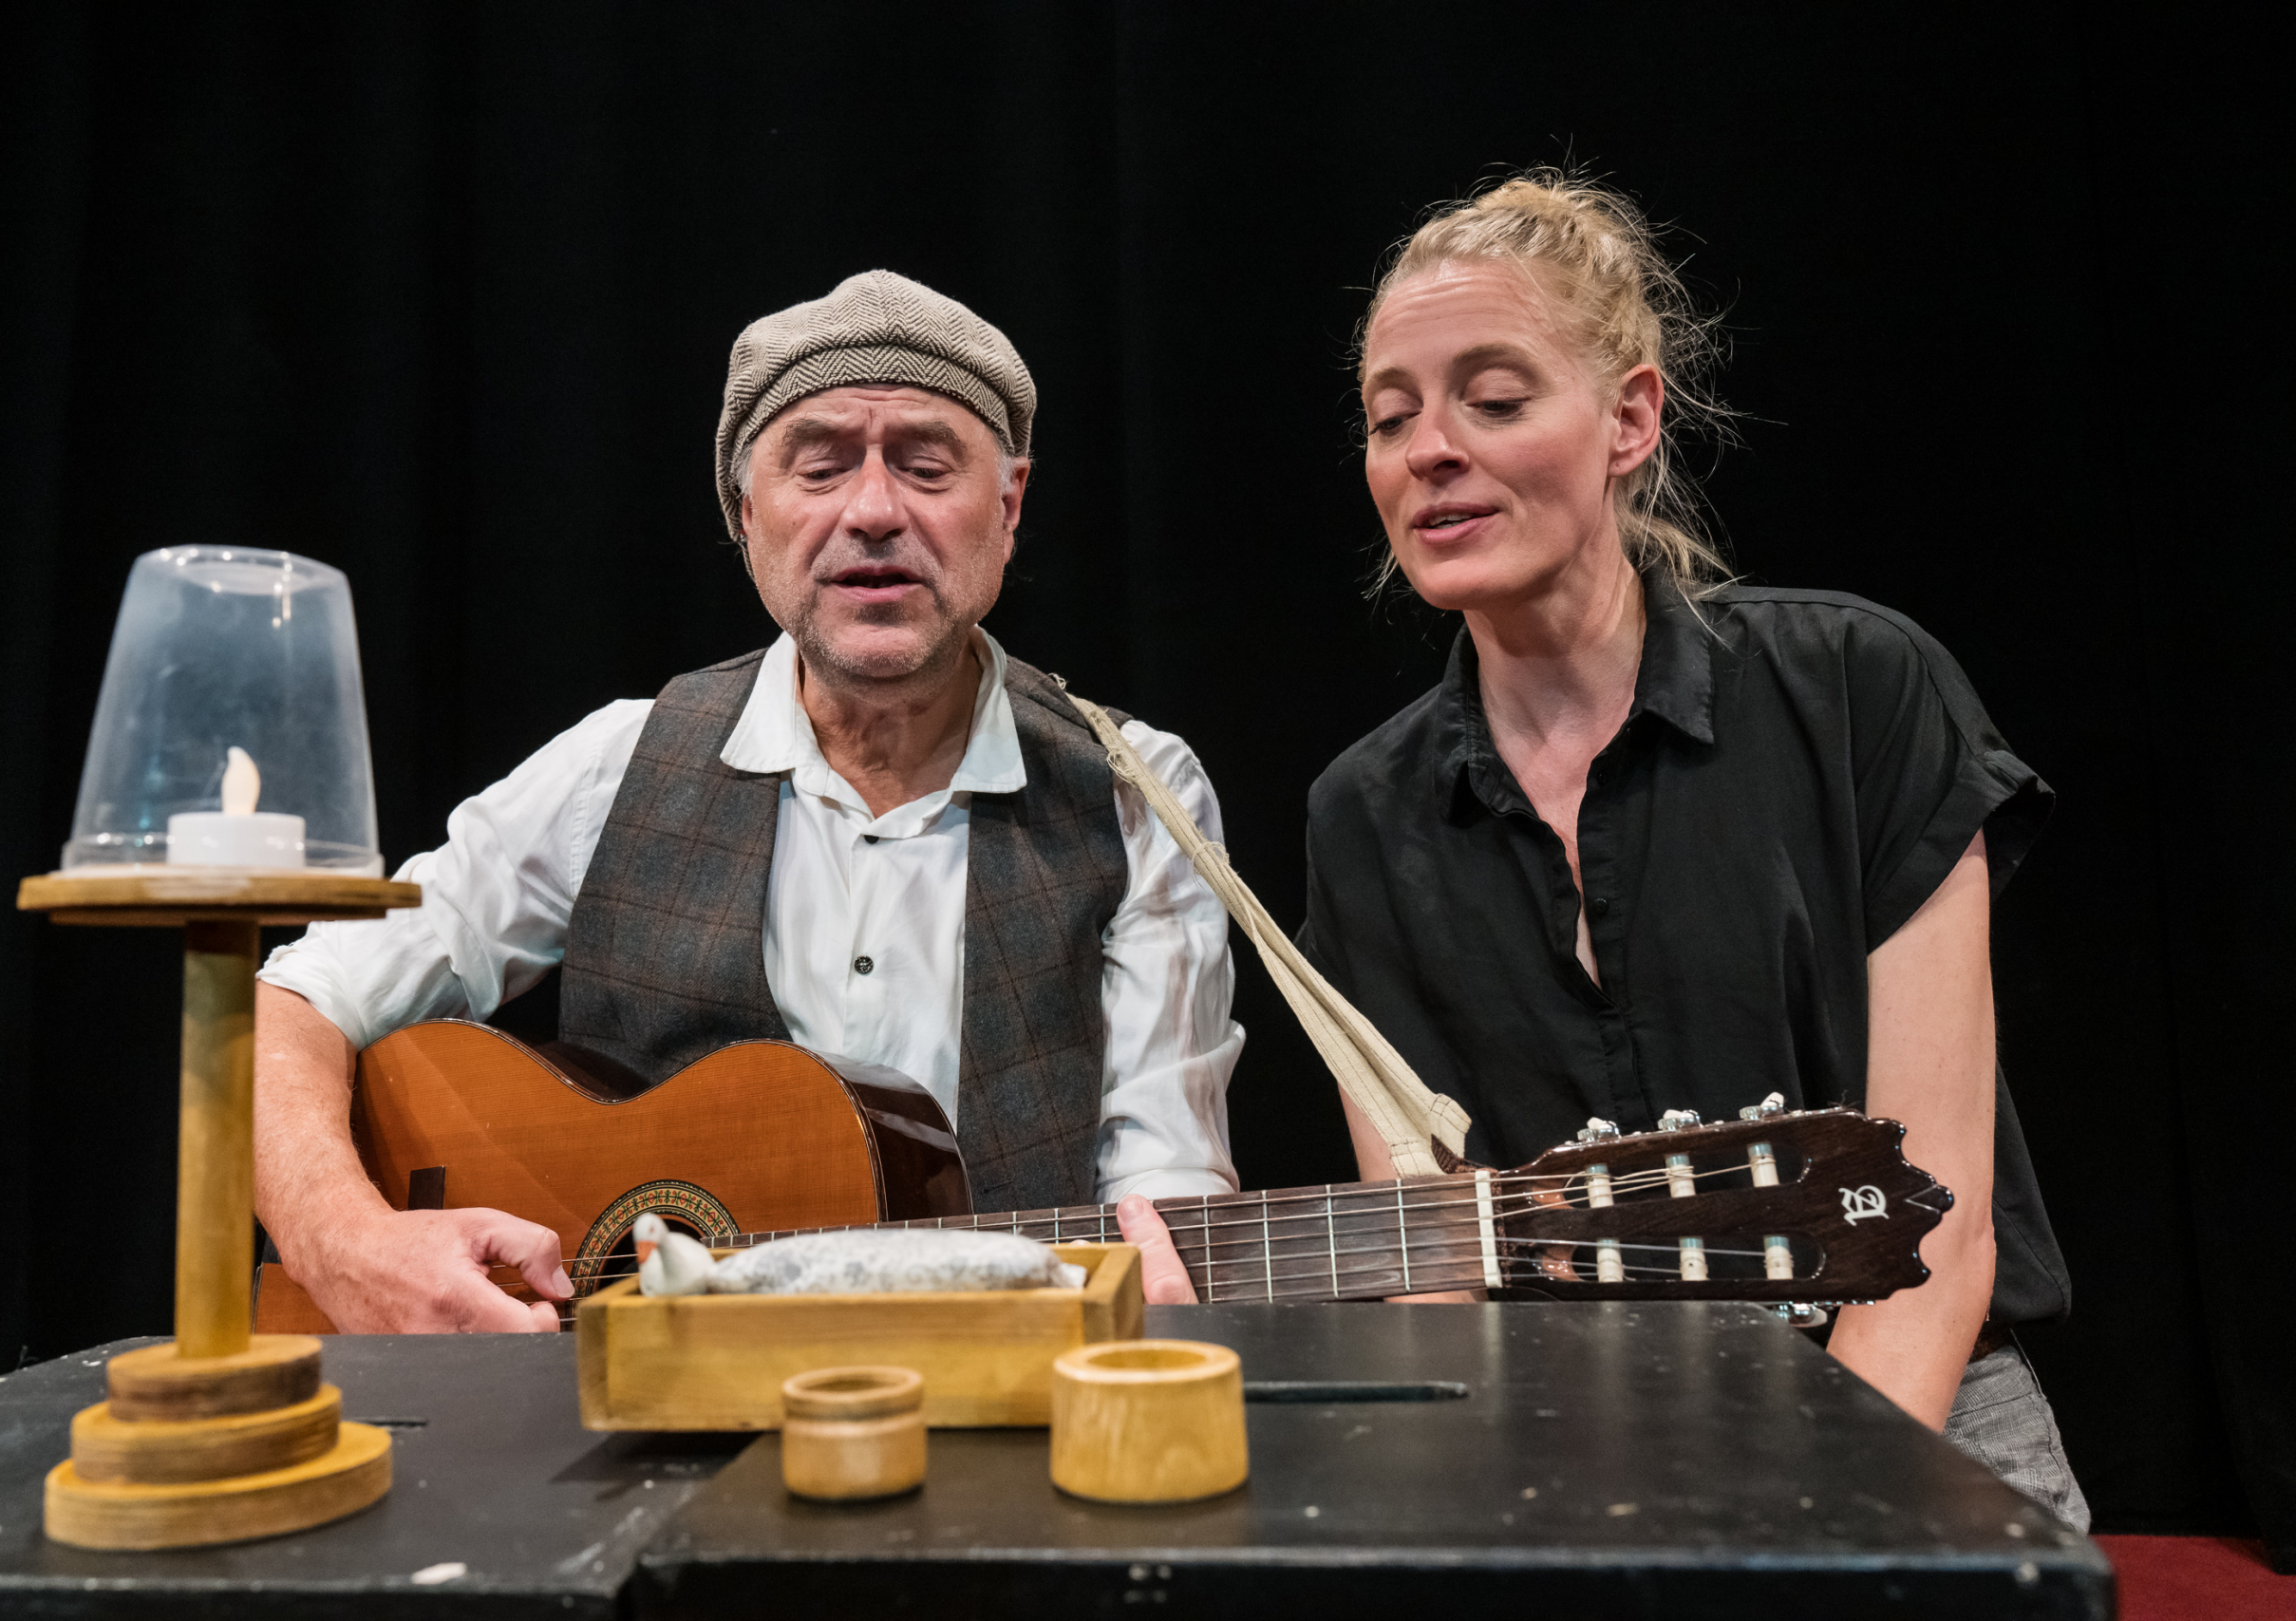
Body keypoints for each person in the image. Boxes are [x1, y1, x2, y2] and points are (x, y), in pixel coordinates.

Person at [1132, 172, 2090, 1529]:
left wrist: (1783, 1542)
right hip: (1567, 1434)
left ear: (1631, 417)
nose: (1430, 450)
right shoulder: (1365, 810)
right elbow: (1433, 1264)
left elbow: (1939, 1225)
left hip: (1918, 1397)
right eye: (1389, 417)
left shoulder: (1864, 689)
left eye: (1496, 398)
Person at [253, 271, 1241, 1335]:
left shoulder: (1137, 794)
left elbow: (1165, 1192)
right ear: (741, 512)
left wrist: (1170, 1290)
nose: (871, 512)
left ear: (1006, 509)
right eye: (818, 467)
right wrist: (345, 1243)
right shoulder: (616, 764)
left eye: (925, 466)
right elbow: (286, 1006)